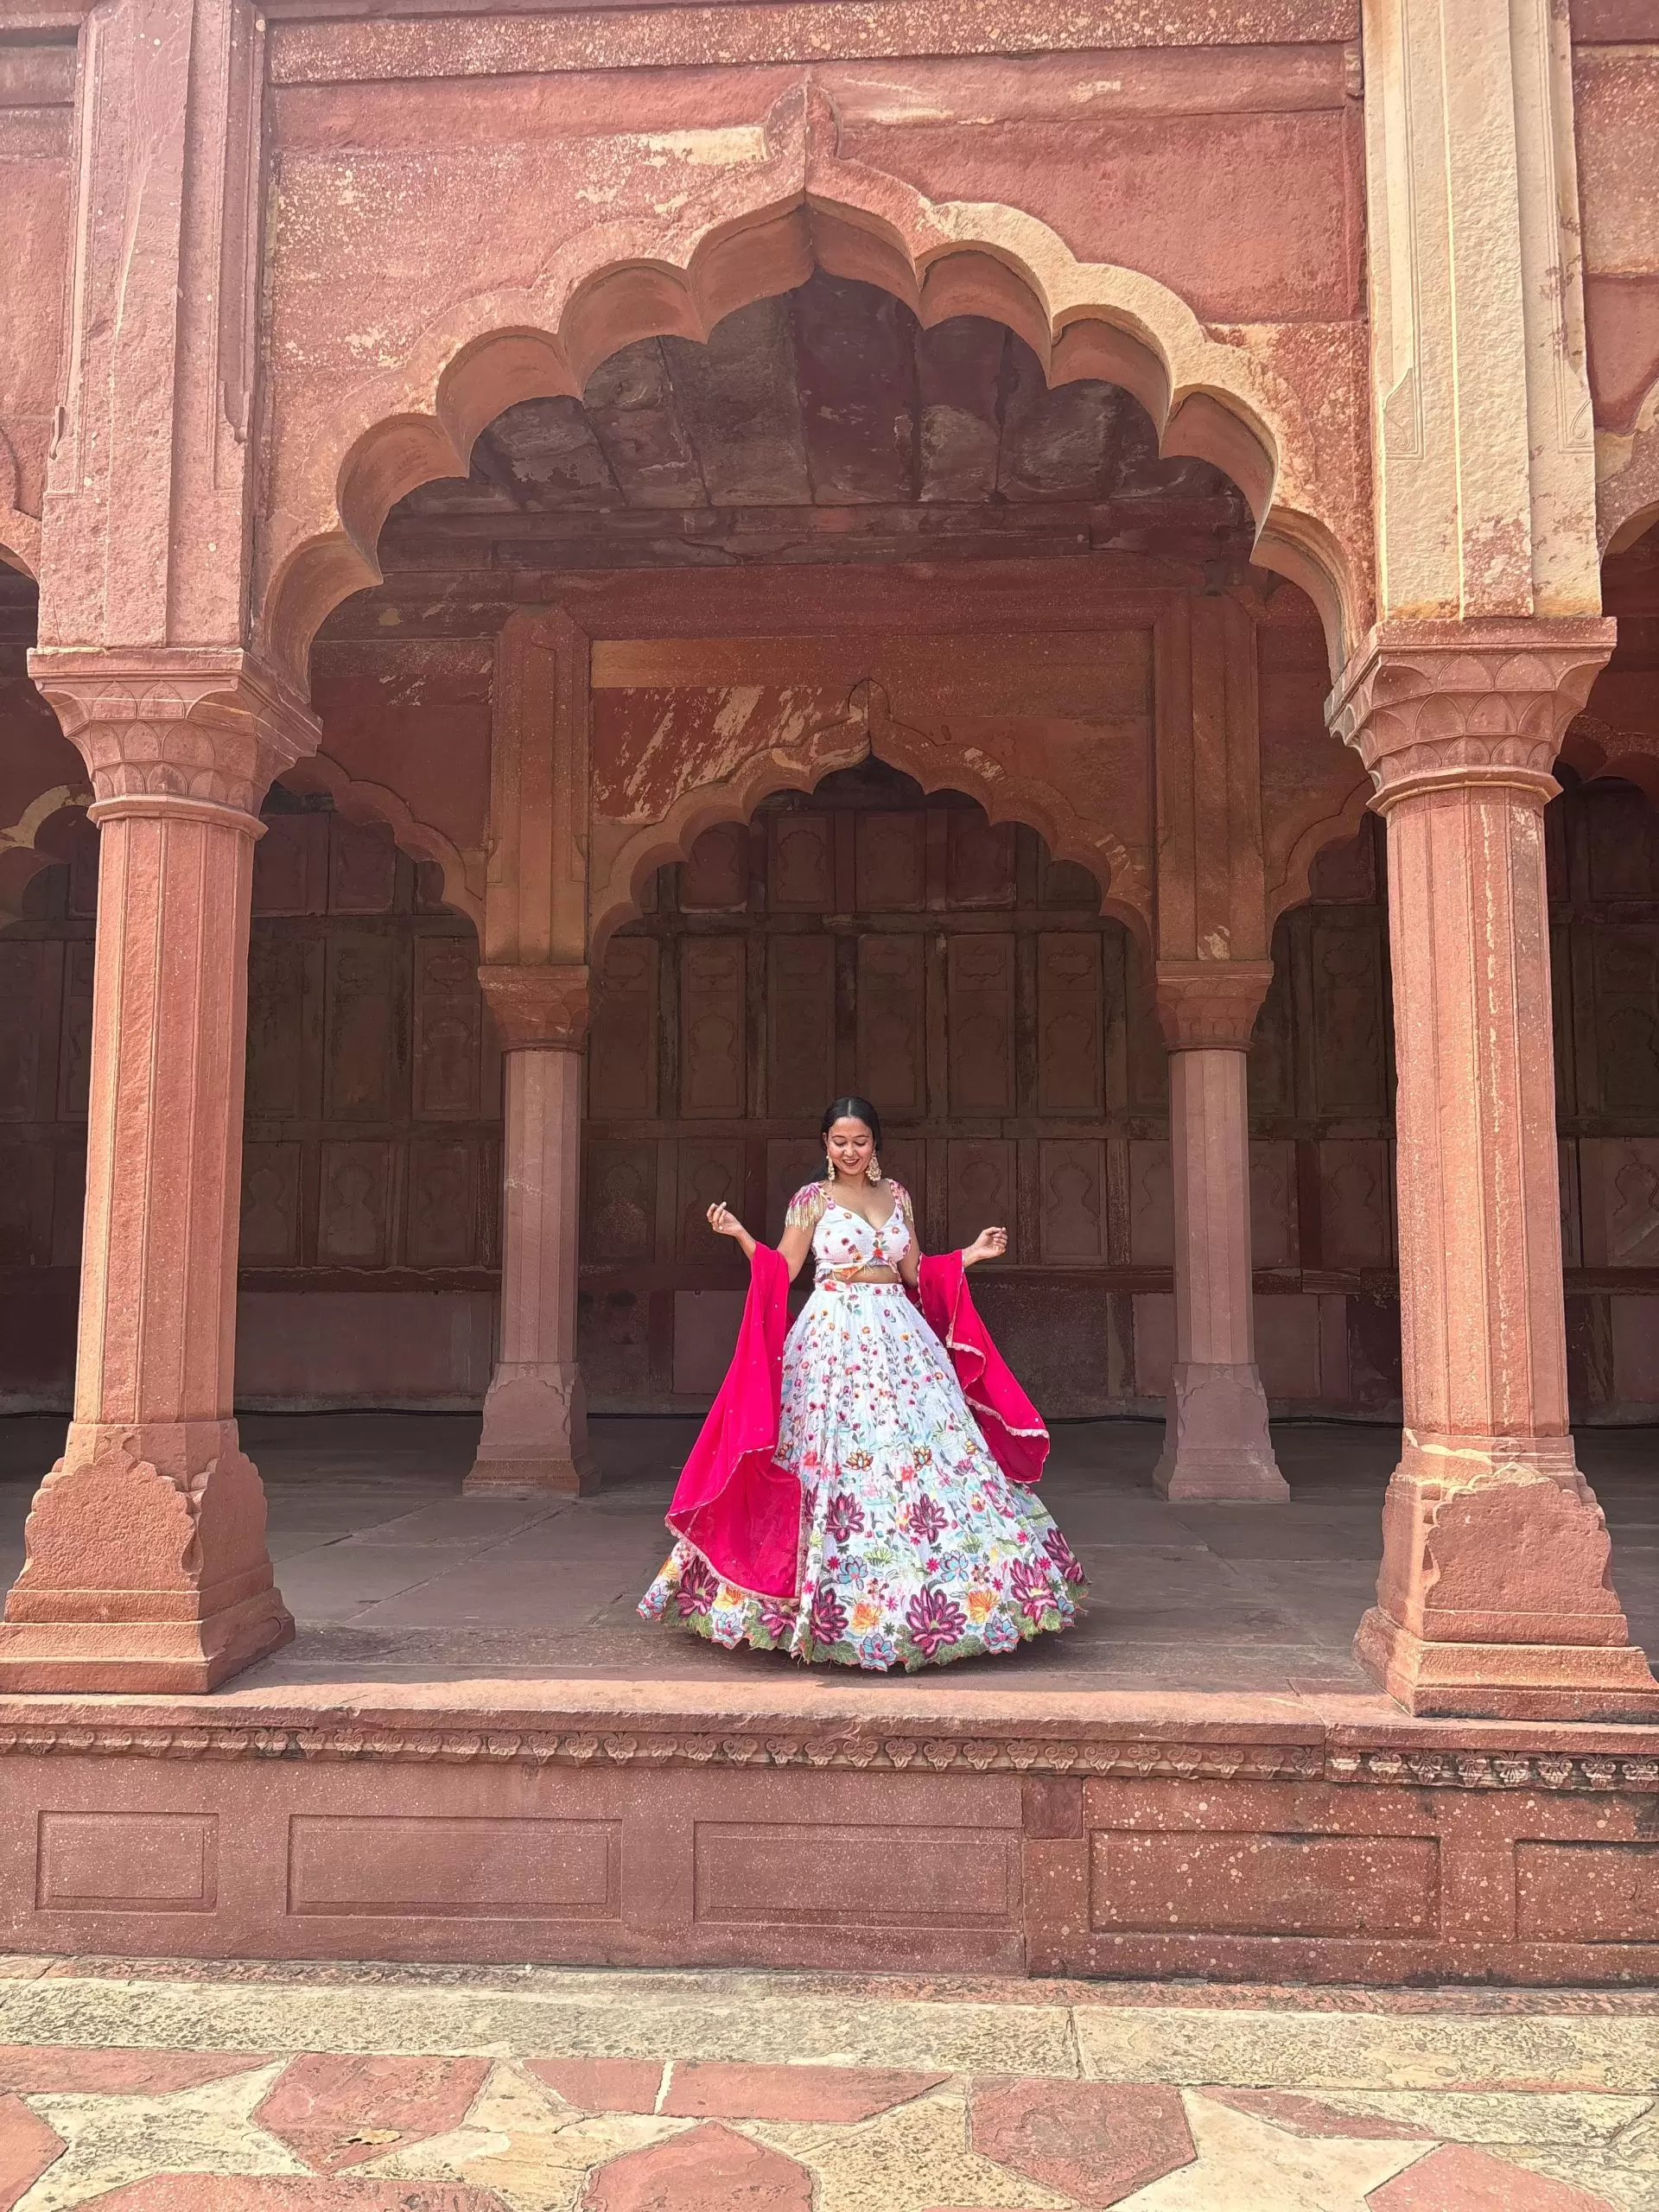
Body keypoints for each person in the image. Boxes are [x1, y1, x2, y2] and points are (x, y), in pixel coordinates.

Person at [639, 1096, 1085, 1670]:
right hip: (833, 1336)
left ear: (875, 1142)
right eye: (839, 1141)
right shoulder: (811, 1200)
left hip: (901, 1338)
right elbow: (784, 1268)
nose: (850, 1151)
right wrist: (740, 1235)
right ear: (825, 1144)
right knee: (831, 1455)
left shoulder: (896, 1195)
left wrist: (971, 1255)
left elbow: (915, 1271)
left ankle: (951, 1598)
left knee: (926, 1454)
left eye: (860, 1141)